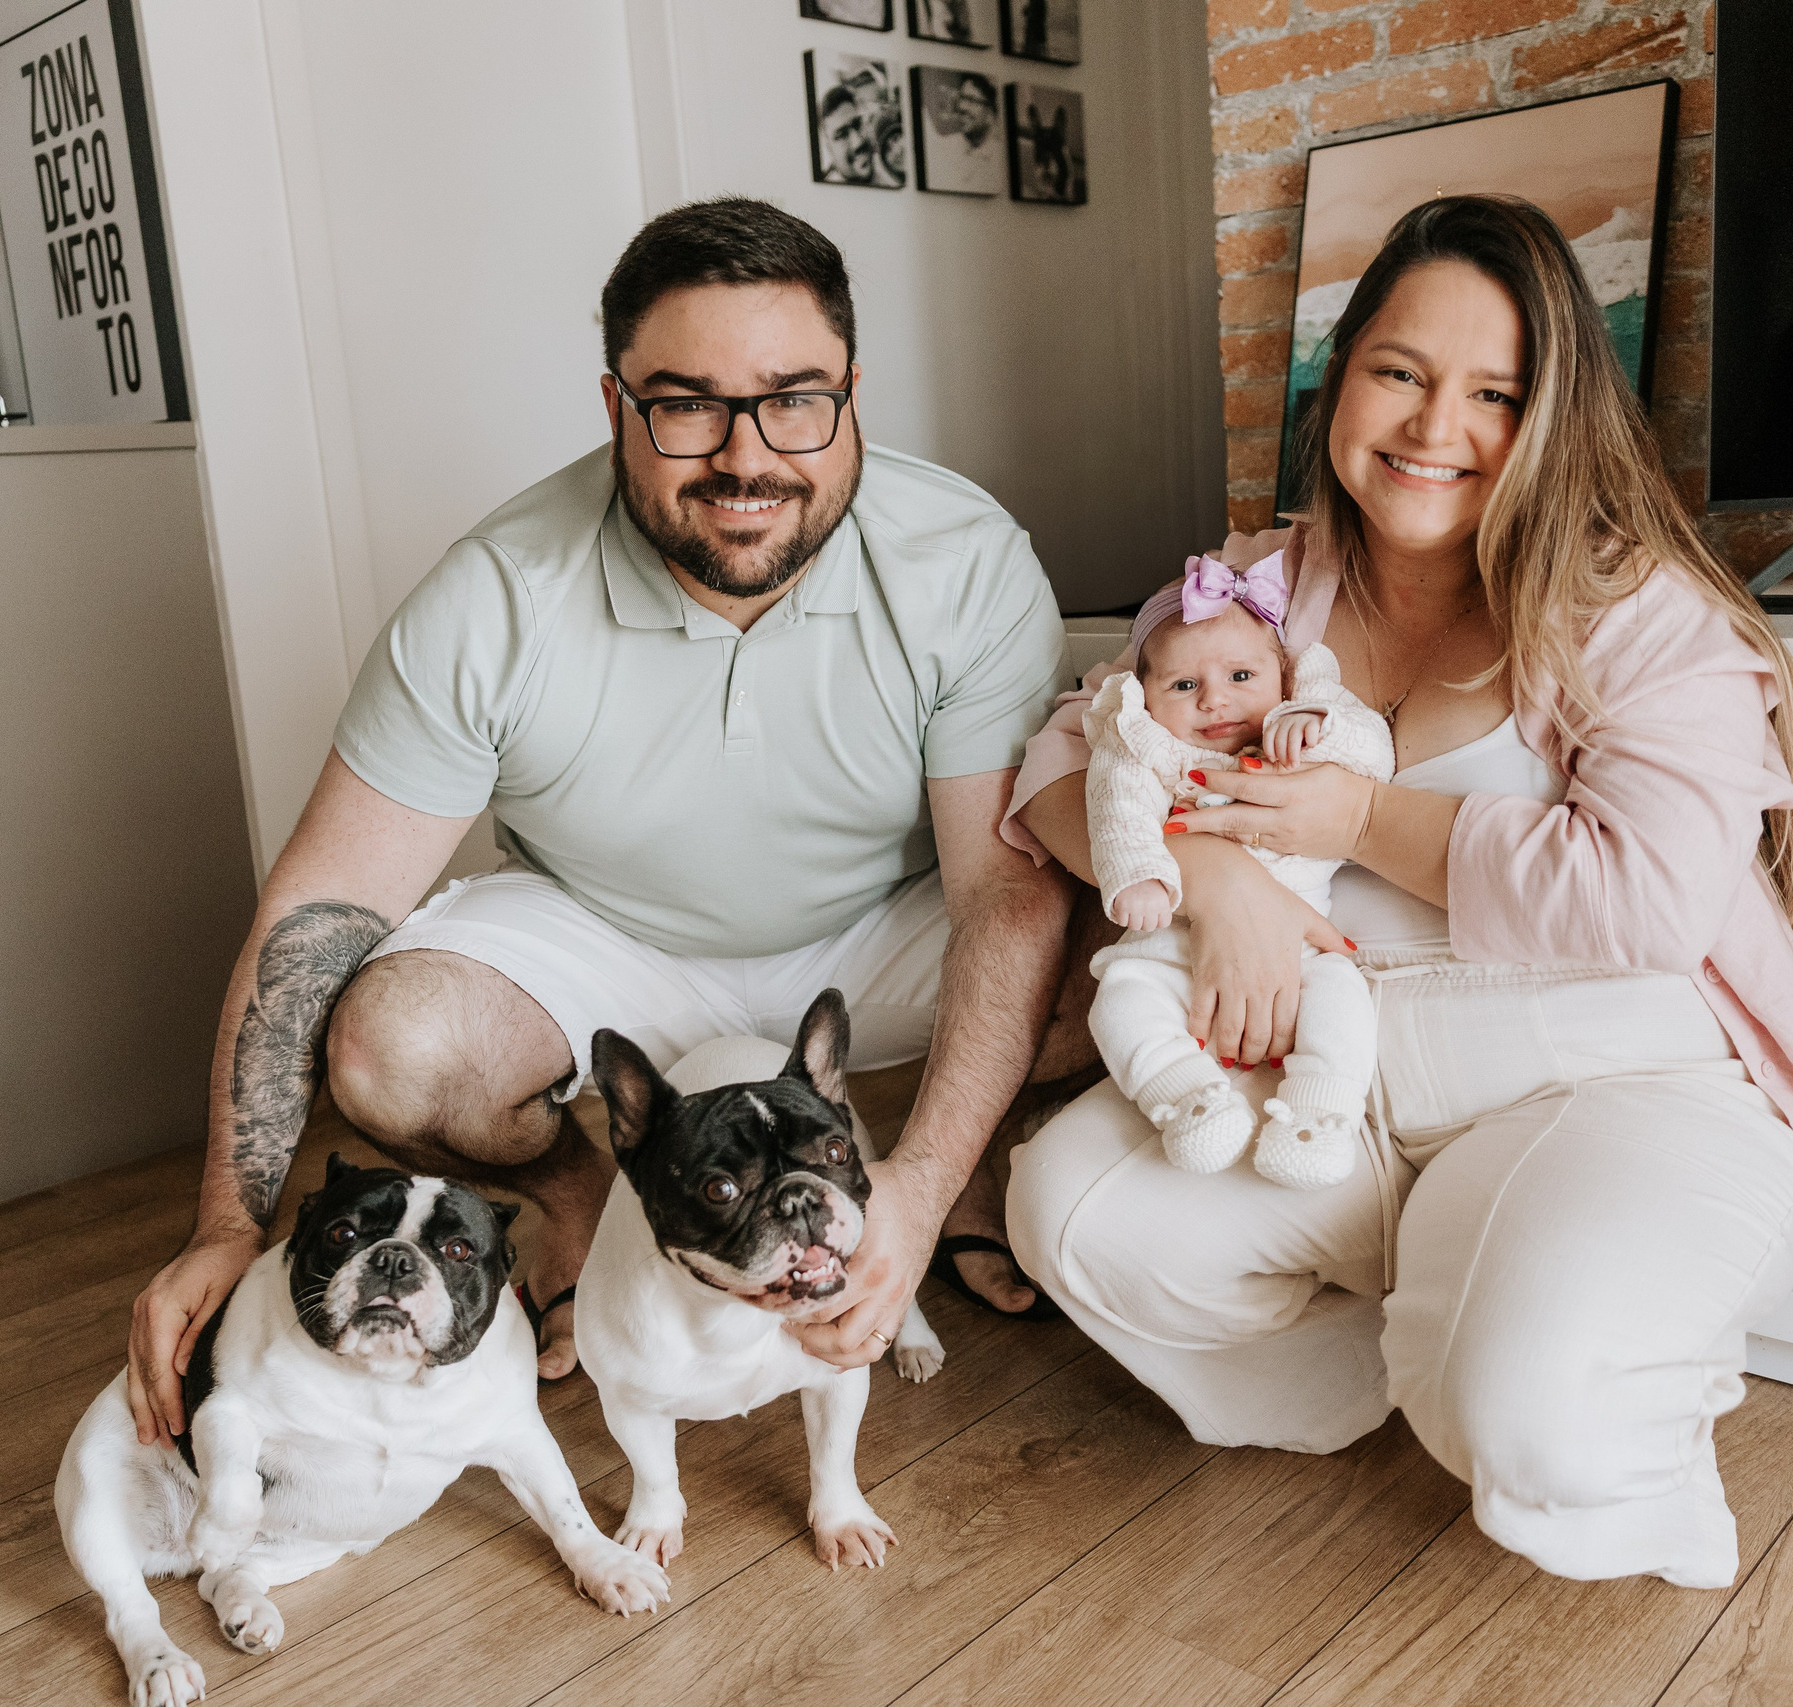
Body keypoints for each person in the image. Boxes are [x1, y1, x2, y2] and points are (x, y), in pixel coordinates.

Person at [998, 195, 1793, 1588]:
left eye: (1497, 392)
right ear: (1341, 377)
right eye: (1402, 373)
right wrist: (1210, 871)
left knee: (1536, 1413)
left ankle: (1593, 1412)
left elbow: (1653, 897)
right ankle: (1409, 1349)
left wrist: (1360, 812)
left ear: (1557, 417)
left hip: (1605, 1070)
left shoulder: (1639, 603)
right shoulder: (1261, 581)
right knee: (1073, 1207)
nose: (1436, 427)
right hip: (1336, 1071)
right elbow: (1067, 759)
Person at [124, 197, 1084, 1446]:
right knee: (386, 1050)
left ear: (853, 392)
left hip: (874, 931)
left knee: (1109, 965)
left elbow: (1000, 895)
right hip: (609, 938)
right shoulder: (494, 596)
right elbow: (318, 908)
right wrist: (224, 1228)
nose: (747, 457)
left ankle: (941, 1179)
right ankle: (581, 1200)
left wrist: (915, 1181)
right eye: (685, 405)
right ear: (615, 404)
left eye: (794, 399)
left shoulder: (963, 557)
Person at [1083, 565, 1391, 1188]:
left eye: (1242, 677)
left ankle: (1318, 1115)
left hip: (1301, 936)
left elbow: (1376, 756)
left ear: (1285, 678)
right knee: (1120, 1000)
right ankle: (1189, 1098)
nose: (1214, 700)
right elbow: (1114, 807)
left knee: (1342, 997)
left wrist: (1316, 722)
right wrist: (1137, 875)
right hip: (1173, 933)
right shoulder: (1150, 749)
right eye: (1184, 684)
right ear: (1143, 696)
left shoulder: (1306, 728)